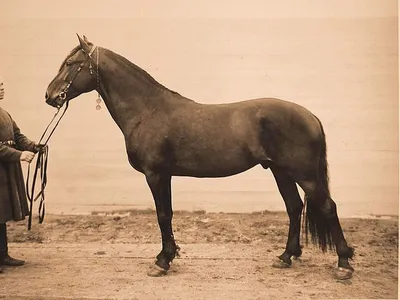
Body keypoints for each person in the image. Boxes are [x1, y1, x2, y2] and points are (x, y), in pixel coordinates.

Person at [0, 77, 43, 273]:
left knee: (2, 215)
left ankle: (3, 255)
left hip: (6, 171)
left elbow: (17, 136)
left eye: (1, 85)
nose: (1, 89)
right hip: (2, 169)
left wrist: (33, 146)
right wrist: (19, 155)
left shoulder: (5, 113)